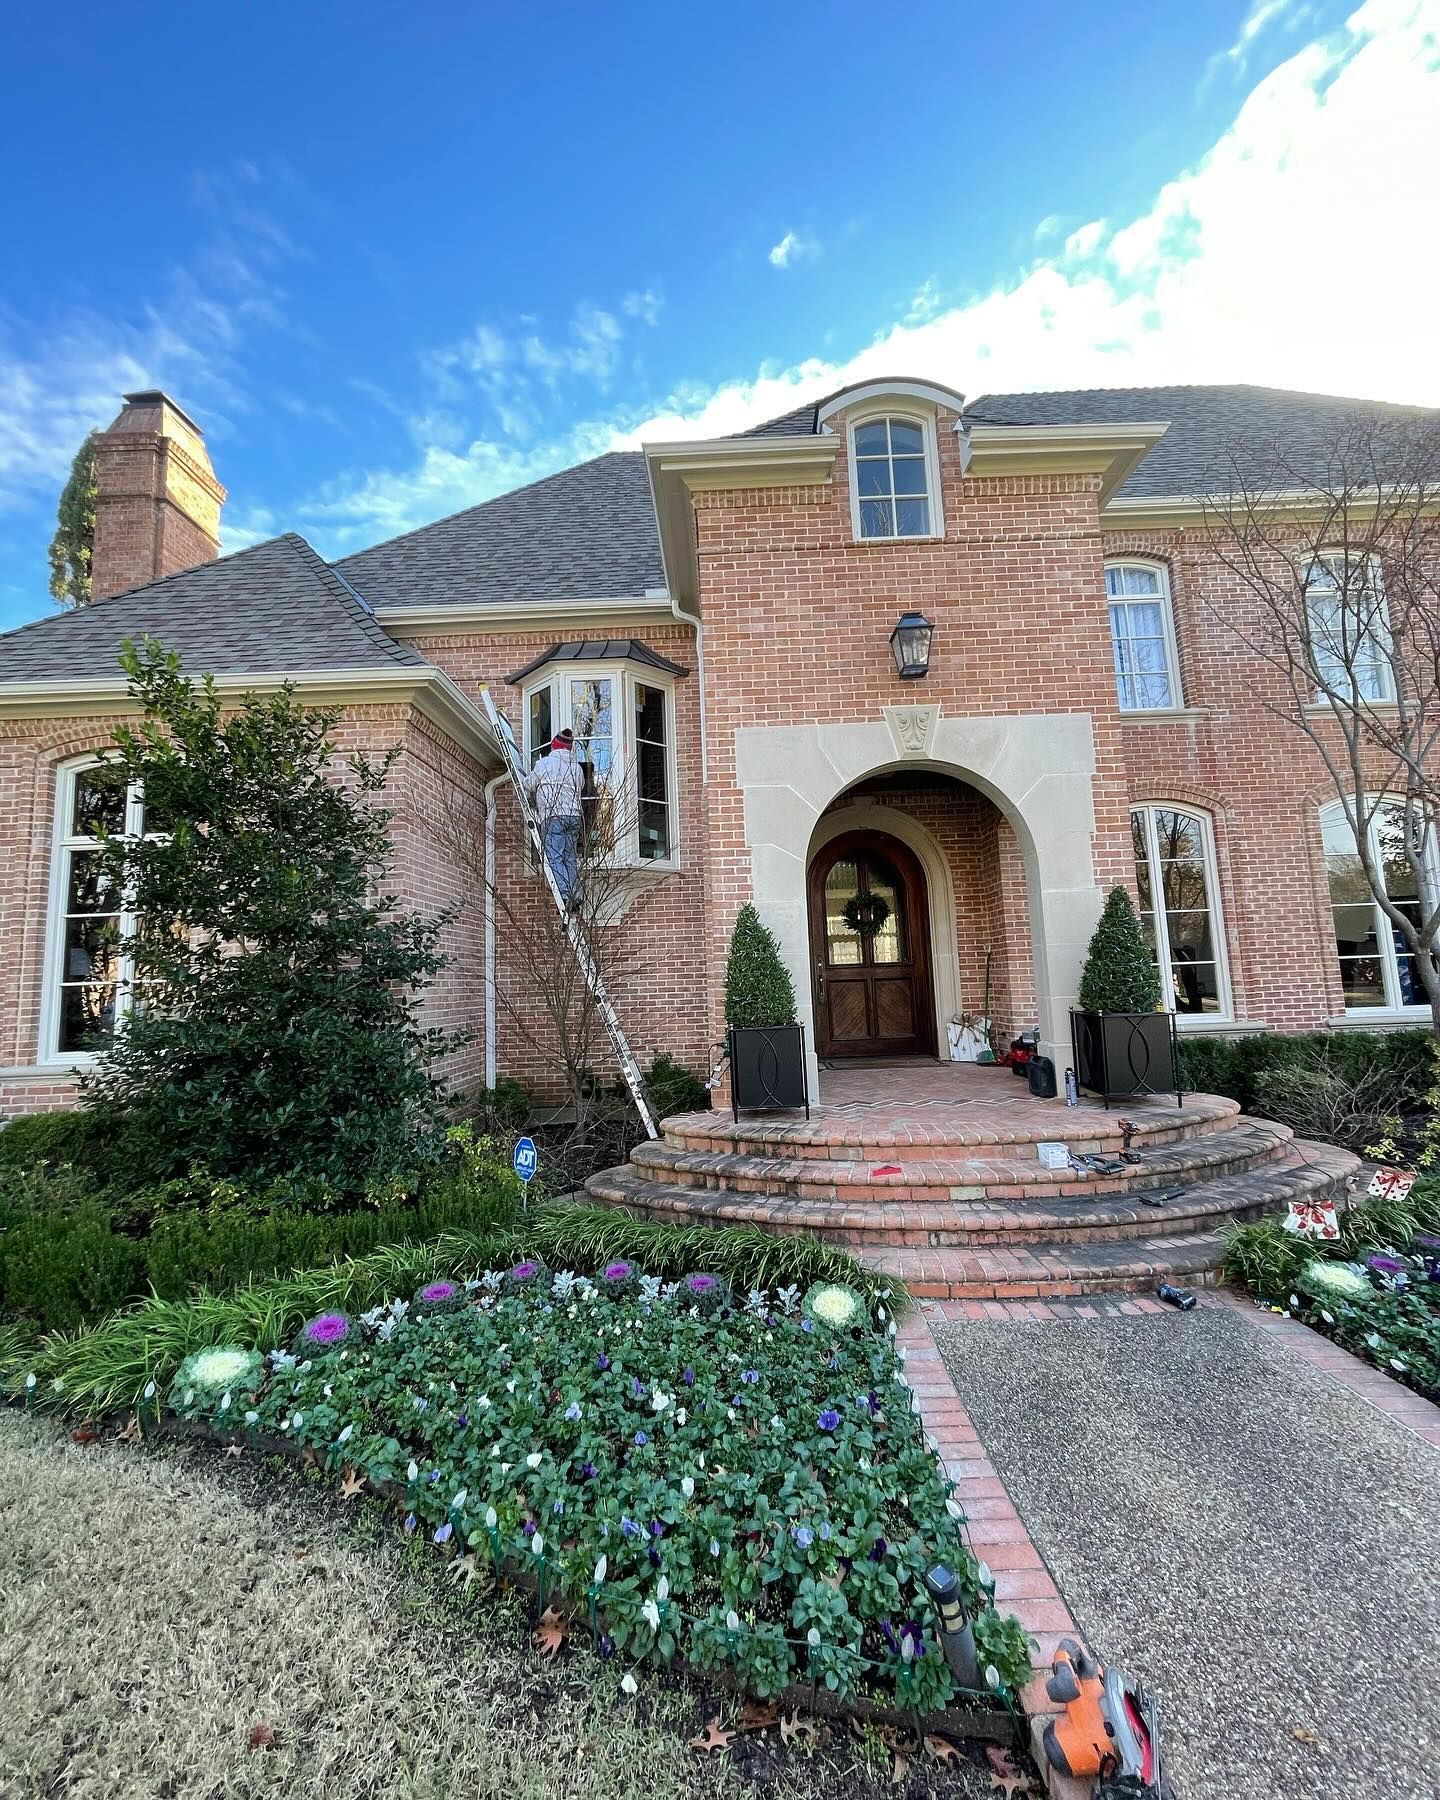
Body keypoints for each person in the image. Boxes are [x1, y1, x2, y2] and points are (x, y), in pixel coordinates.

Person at [524, 727, 584, 907]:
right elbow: (579, 789)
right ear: (569, 749)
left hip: (553, 816)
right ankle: (576, 894)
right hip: (573, 816)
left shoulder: (545, 764)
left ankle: (565, 896)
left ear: (553, 746)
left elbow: (528, 784)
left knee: (555, 858)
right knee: (570, 858)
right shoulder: (577, 768)